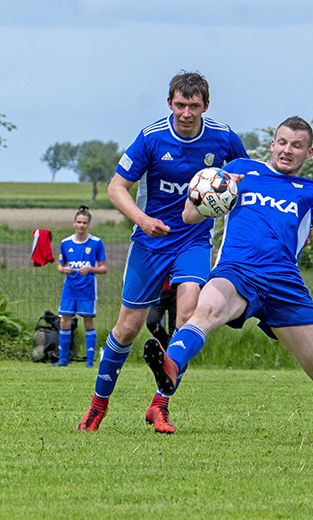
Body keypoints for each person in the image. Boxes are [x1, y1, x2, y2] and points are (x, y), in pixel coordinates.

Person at [144, 117, 313, 445]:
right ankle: (169, 367)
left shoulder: (311, 192)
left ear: (308, 152)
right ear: (272, 144)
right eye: (282, 142)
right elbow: (189, 214)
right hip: (237, 272)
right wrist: (218, 190)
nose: (287, 149)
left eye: (296, 145)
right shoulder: (241, 170)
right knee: (205, 310)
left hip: (285, 285)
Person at [78, 71, 248, 433]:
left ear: (206, 105)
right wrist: (143, 219)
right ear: (170, 103)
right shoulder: (152, 138)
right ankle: (97, 407)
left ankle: (160, 406)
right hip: (150, 240)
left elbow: (246, 177)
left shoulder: (224, 137)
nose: (187, 112)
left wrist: (233, 184)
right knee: (127, 328)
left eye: (194, 105)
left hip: (195, 239)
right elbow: (115, 188)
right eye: (180, 104)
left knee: (188, 317)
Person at [55, 205, 107, 367]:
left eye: (84, 223)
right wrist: (64, 270)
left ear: (89, 224)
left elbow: (104, 268)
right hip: (70, 289)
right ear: (74, 223)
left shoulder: (96, 243)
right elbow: (60, 265)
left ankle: (90, 361)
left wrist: (90, 269)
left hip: (87, 290)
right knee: (64, 321)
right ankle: (63, 359)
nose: (81, 225)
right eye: (79, 222)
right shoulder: (65, 243)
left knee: (88, 323)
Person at [145, 277, 177, 349]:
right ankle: (167, 346)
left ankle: (172, 356)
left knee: (175, 329)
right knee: (152, 322)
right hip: (158, 291)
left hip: (177, 291)